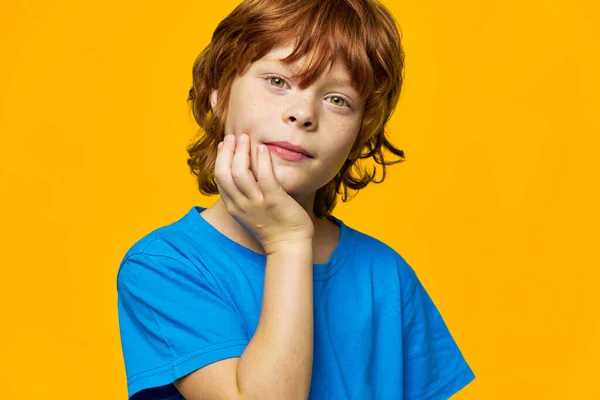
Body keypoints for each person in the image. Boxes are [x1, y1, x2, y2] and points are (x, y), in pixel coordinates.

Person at [116, 0, 475, 398]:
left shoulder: (386, 275)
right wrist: (287, 242)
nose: (303, 113)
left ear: (359, 136)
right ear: (218, 92)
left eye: (337, 99)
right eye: (278, 81)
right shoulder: (164, 266)